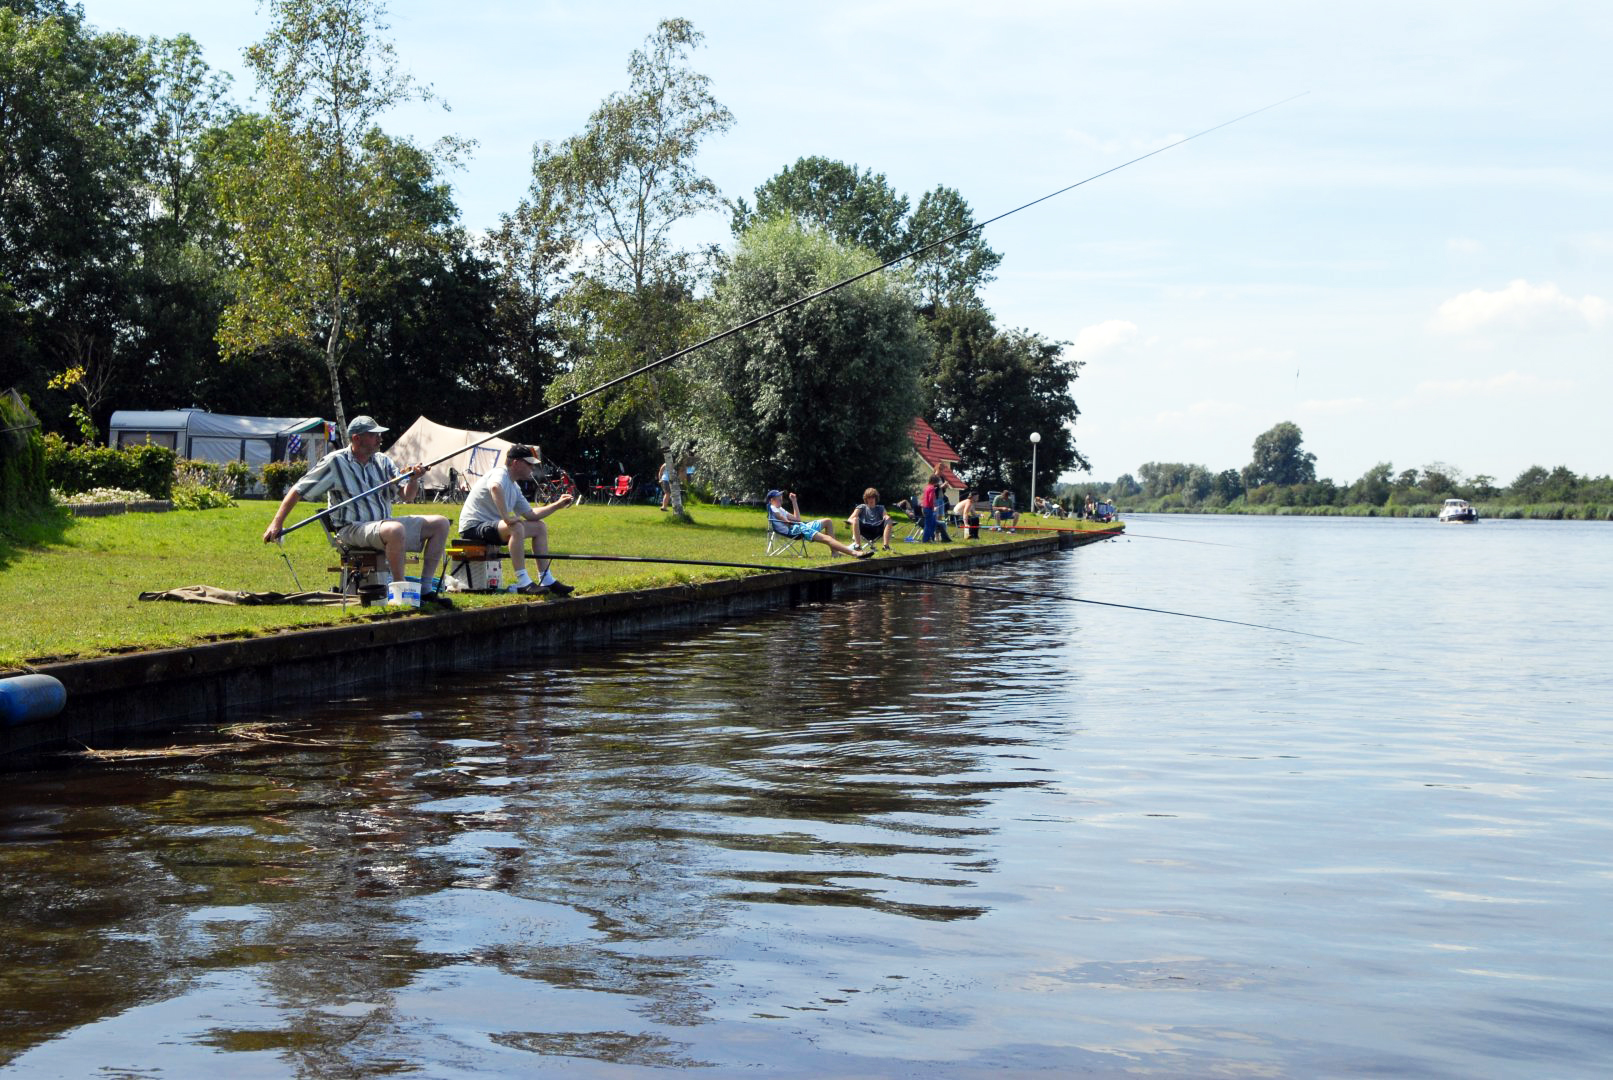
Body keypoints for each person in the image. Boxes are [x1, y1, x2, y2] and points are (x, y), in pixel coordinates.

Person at [263, 415, 454, 609]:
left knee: (440, 523)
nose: (379, 439)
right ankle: (401, 593)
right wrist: (276, 523)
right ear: (356, 438)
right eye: (373, 435)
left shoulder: (383, 461)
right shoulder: (335, 462)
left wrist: (413, 479)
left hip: (383, 524)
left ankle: (426, 590)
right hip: (351, 529)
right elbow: (298, 489)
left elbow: (407, 497)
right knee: (395, 530)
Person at [459, 444, 576, 596]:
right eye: (529, 464)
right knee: (516, 527)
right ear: (516, 463)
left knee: (540, 527)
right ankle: (523, 582)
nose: (532, 469)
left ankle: (546, 578)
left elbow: (531, 514)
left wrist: (557, 505)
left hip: (492, 527)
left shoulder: (514, 486)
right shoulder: (499, 473)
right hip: (473, 527)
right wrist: (507, 518)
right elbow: (495, 488)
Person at [767, 490, 871, 558]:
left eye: (781, 496)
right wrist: (798, 524)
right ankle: (855, 553)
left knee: (828, 521)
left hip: (799, 526)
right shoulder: (772, 507)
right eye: (778, 496)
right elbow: (786, 522)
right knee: (827, 539)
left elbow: (797, 519)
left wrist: (794, 501)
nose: (781, 497)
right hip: (795, 530)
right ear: (772, 500)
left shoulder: (780, 508)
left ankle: (835, 553)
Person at [920, 474, 941, 542]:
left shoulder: (927, 487)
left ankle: (930, 538)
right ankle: (925, 540)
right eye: (937, 481)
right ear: (935, 481)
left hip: (925, 507)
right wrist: (933, 507)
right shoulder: (932, 488)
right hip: (929, 508)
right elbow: (931, 499)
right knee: (928, 525)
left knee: (931, 523)